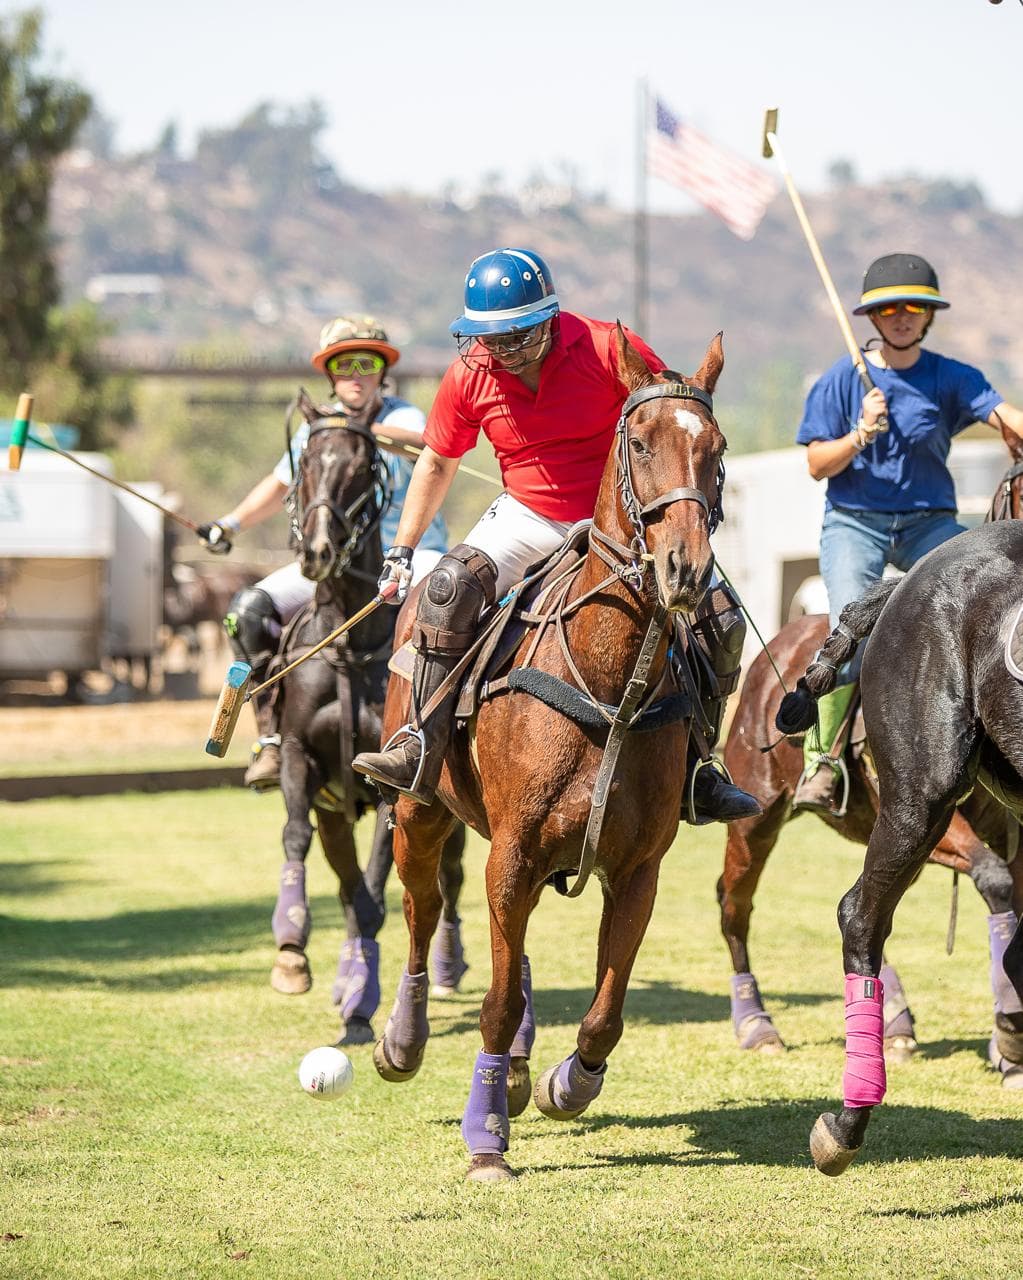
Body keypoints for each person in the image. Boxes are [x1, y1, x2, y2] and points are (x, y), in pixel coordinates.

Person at [352, 247, 760, 824]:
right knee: (445, 591)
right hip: (529, 515)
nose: (504, 351)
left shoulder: (605, 347)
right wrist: (403, 548)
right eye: (491, 338)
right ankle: (422, 743)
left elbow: (666, 416)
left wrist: (677, 512)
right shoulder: (469, 374)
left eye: (517, 336)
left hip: (618, 520)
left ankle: (698, 766)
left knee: (720, 617)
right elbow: (437, 461)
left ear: (550, 319)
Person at [793, 252, 1023, 812]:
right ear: (873, 317)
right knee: (849, 634)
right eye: (890, 308)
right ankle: (823, 762)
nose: (902, 317)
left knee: (989, 611)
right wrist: (859, 434)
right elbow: (817, 464)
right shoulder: (840, 381)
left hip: (929, 523)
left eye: (914, 308)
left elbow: (1004, 414)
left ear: (928, 316)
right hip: (856, 525)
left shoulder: (949, 376)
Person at [197, 316, 448, 790]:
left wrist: (361, 429)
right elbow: (279, 485)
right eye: (343, 364)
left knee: (453, 606)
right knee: (246, 613)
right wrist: (230, 524)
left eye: (366, 364)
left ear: (382, 371)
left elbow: (430, 445)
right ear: (330, 374)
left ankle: (443, 739)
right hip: (335, 564)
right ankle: (270, 737)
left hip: (416, 558)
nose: (356, 374)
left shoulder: (402, 416)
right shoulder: (315, 428)